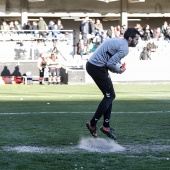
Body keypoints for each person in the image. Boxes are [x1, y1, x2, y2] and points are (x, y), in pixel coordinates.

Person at [86, 28, 140, 139]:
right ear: (130, 38)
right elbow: (110, 64)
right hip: (97, 67)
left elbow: (109, 60)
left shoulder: (119, 41)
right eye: (136, 39)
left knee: (109, 95)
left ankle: (105, 126)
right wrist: (119, 70)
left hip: (94, 66)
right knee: (110, 95)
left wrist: (117, 66)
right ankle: (93, 123)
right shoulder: (125, 48)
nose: (137, 41)